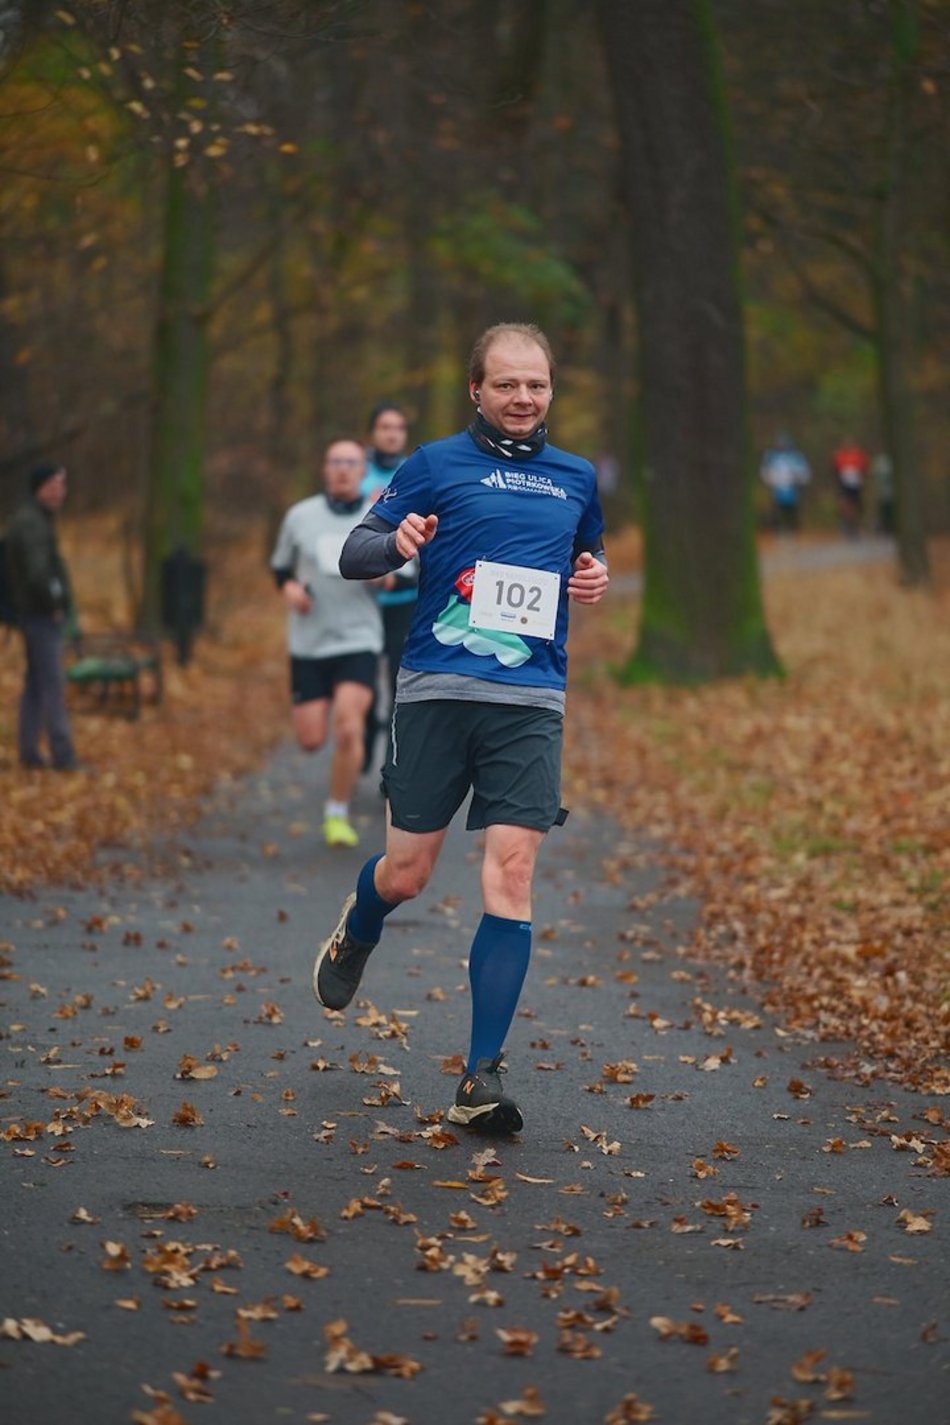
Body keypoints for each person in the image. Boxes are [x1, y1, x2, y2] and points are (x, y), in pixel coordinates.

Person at [313, 322, 609, 1136]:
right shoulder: (436, 463)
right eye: (508, 384)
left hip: (531, 701)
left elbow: (586, 555)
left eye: (537, 385)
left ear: (552, 391)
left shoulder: (577, 477)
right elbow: (356, 550)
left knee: (511, 874)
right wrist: (397, 540)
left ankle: (480, 1076)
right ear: (476, 389)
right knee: (407, 873)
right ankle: (362, 921)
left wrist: (594, 572)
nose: (524, 398)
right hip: (438, 691)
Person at [270, 439, 383, 849]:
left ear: (361, 471)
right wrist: (288, 590)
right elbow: (280, 567)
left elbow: (404, 570)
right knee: (311, 739)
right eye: (335, 461)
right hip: (310, 639)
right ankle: (336, 793)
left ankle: (337, 811)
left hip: (359, 636)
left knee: (349, 727)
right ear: (324, 468)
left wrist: (385, 575)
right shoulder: (301, 516)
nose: (342, 469)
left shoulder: (379, 516)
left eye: (351, 463)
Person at [5, 462, 80, 771]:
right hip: (39, 614)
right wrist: (55, 603)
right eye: (54, 484)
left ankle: (29, 752)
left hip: (32, 612)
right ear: (40, 487)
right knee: (52, 683)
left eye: (62, 484)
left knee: (36, 683)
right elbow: (38, 572)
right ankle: (63, 755)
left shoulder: (35, 519)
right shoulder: (32, 523)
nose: (60, 491)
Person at [359, 403, 418, 770]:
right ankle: (364, 736)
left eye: (398, 427)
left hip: (406, 597)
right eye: (384, 427)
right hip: (361, 600)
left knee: (400, 685)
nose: (392, 434)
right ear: (372, 433)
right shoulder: (357, 472)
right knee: (363, 682)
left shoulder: (415, 473)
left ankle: (390, 765)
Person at [759, 432, 810, 533]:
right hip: (777, 487)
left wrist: (799, 480)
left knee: (791, 508)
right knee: (777, 508)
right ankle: (777, 529)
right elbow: (765, 470)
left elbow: (804, 471)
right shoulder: (771, 456)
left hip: (792, 487)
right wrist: (769, 480)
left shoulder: (796, 457)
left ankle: (792, 528)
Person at [832, 438, 869, 537]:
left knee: (856, 505)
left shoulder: (859, 455)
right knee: (845, 504)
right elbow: (836, 468)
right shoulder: (840, 455)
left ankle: (856, 526)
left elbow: (864, 467)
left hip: (856, 484)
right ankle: (847, 524)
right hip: (844, 484)